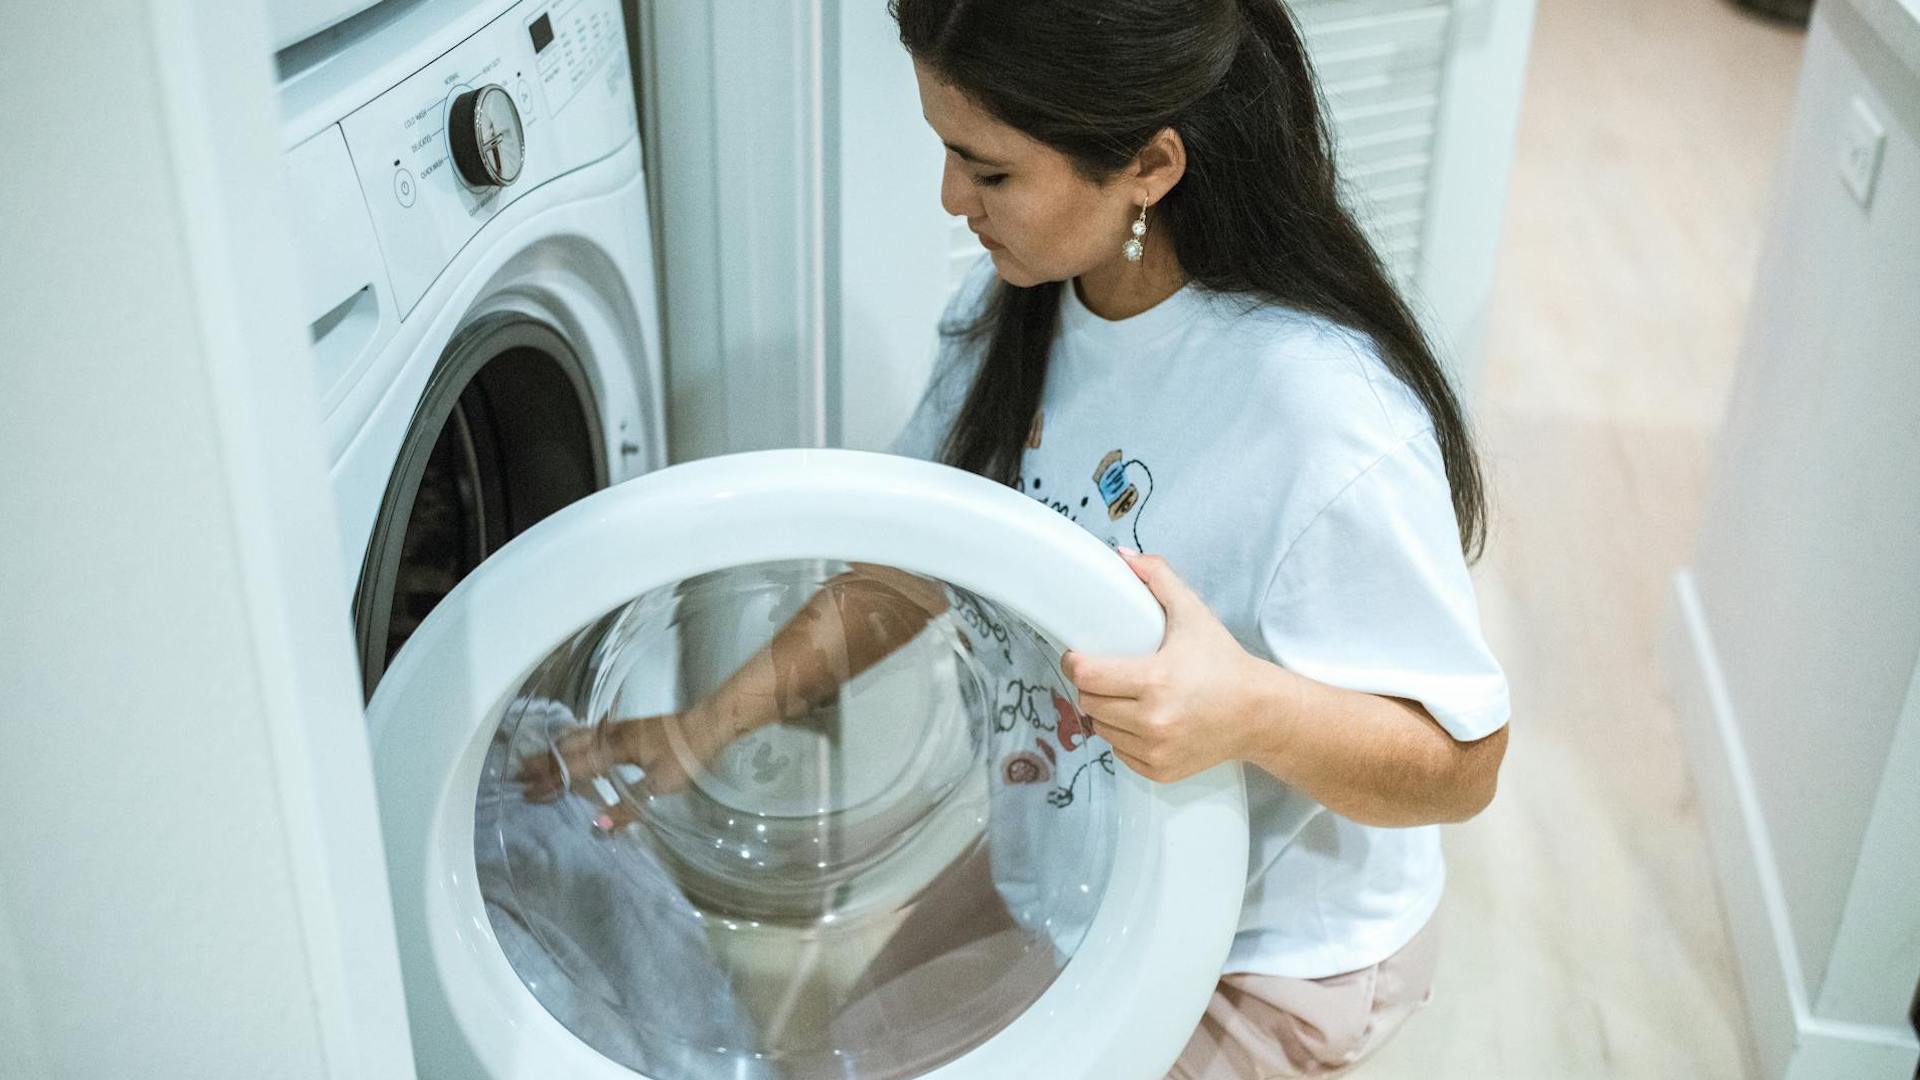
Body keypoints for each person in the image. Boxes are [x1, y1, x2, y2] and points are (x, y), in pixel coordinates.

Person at [527, 0, 1510, 1074]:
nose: (952, 200)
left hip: (1268, 940)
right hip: (1073, 851)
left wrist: (1251, 711)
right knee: (845, 1057)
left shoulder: (1320, 417)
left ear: (1149, 165)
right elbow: (909, 576)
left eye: (988, 172)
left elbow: (1461, 763)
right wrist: (698, 730)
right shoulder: (1018, 311)